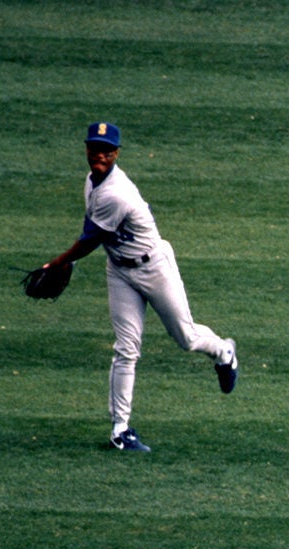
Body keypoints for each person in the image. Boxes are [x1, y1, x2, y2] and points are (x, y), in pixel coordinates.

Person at [39, 122, 238, 452]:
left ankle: (223, 352)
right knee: (126, 348)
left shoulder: (116, 192)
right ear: (87, 150)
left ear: (116, 154)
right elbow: (91, 230)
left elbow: (89, 240)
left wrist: (60, 262)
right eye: (93, 148)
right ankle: (120, 430)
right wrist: (68, 261)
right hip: (119, 270)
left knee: (186, 337)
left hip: (154, 267)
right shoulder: (91, 182)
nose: (98, 155)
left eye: (106, 150)